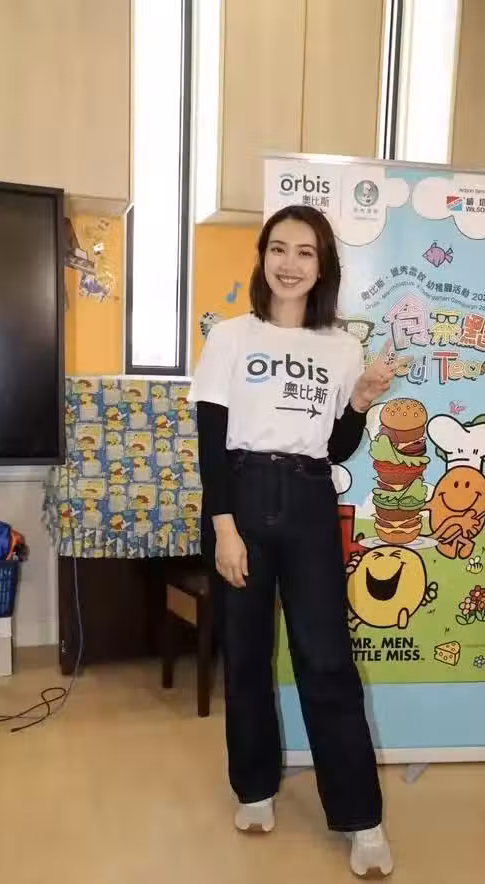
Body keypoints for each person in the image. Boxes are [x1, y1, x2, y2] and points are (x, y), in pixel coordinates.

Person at [190, 204, 403, 878]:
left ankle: (361, 818)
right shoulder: (230, 337)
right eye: (278, 249)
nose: (289, 263)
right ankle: (254, 789)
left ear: (322, 266)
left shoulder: (341, 347)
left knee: (326, 660)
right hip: (243, 498)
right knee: (247, 655)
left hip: (310, 501)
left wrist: (361, 399)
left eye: (305, 252)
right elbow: (211, 445)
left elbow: (335, 446)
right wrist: (225, 528)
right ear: (262, 258)